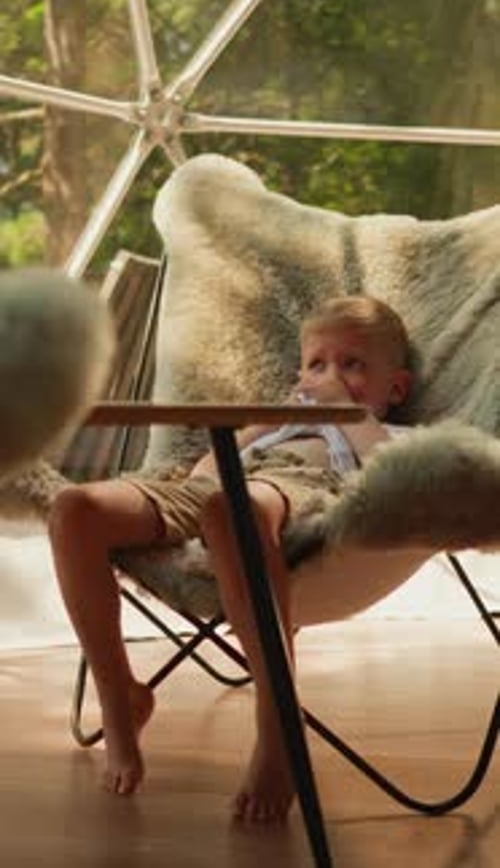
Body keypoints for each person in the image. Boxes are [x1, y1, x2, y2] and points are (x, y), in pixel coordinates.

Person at [47, 295, 412, 820]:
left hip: (299, 490)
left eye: (352, 365)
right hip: (223, 486)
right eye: (316, 364)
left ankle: (277, 725)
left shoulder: (387, 433)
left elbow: (392, 474)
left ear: (395, 387)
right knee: (72, 509)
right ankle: (119, 694)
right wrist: (264, 423)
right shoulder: (277, 425)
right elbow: (203, 473)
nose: (329, 376)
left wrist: (346, 408)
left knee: (230, 512)